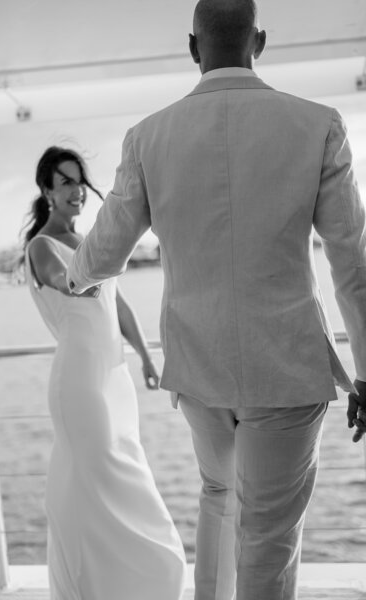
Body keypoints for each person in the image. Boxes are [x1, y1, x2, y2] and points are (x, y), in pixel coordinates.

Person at [66, 0, 366, 598]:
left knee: (217, 498)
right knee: (269, 537)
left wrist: (75, 281)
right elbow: (352, 266)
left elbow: (102, 253)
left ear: (192, 47)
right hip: (287, 368)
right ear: (258, 41)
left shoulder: (148, 136)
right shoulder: (319, 124)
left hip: (199, 369)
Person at [21, 146, 186, 600]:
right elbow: (61, 279)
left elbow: (120, 305)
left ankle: (132, 585)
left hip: (114, 381)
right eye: (65, 183)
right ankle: (91, 585)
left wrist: (147, 358)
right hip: (79, 384)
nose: (76, 191)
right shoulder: (41, 245)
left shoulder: (91, 241)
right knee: (94, 480)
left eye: (79, 181)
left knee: (124, 473)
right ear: (47, 192)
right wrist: (79, 282)